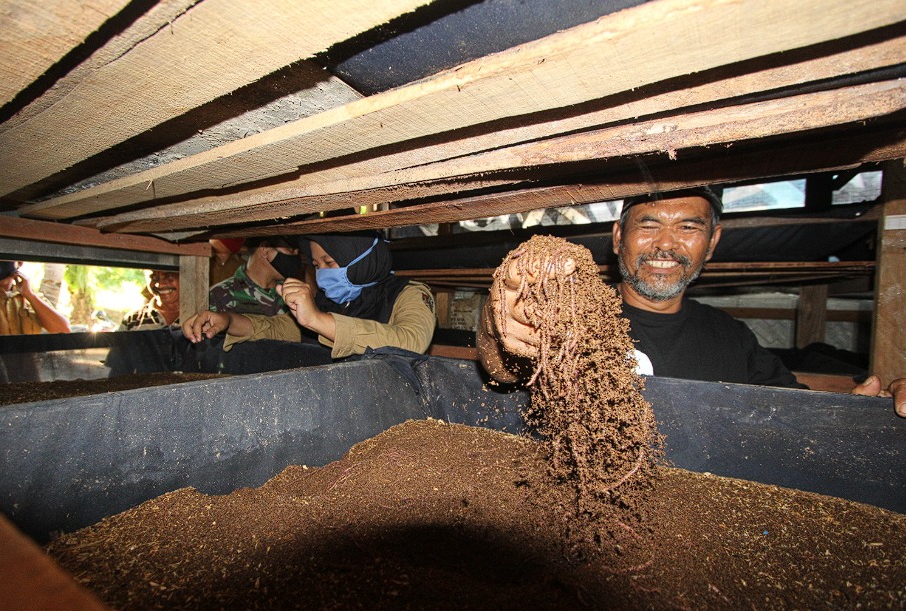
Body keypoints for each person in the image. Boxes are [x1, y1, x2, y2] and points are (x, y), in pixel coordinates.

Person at [477, 186, 906, 417]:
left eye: (688, 227)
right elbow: (503, 364)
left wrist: (867, 411)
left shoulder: (733, 338)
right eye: (648, 224)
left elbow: (798, 416)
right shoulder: (572, 314)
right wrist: (496, 325)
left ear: (712, 241)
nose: (665, 244)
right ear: (617, 237)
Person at [183, 231, 436, 359]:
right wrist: (227, 321)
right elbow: (275, 329)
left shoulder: (409, 293)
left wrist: (316, 319)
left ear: (361, 258)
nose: (323, 274)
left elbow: (411, 341)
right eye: (316, 266)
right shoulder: (329, 302)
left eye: (329, 261)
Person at [0, 259, 71, 335]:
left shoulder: (31, 297)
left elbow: (63, 330)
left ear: (20, 262)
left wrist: (30, 295)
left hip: (29, 367)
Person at [209, 237, 304, 317]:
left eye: (298, 252)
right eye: (291, 250)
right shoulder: (217, 297)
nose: (295, 258)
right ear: (264, 249)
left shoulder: (297, 294)